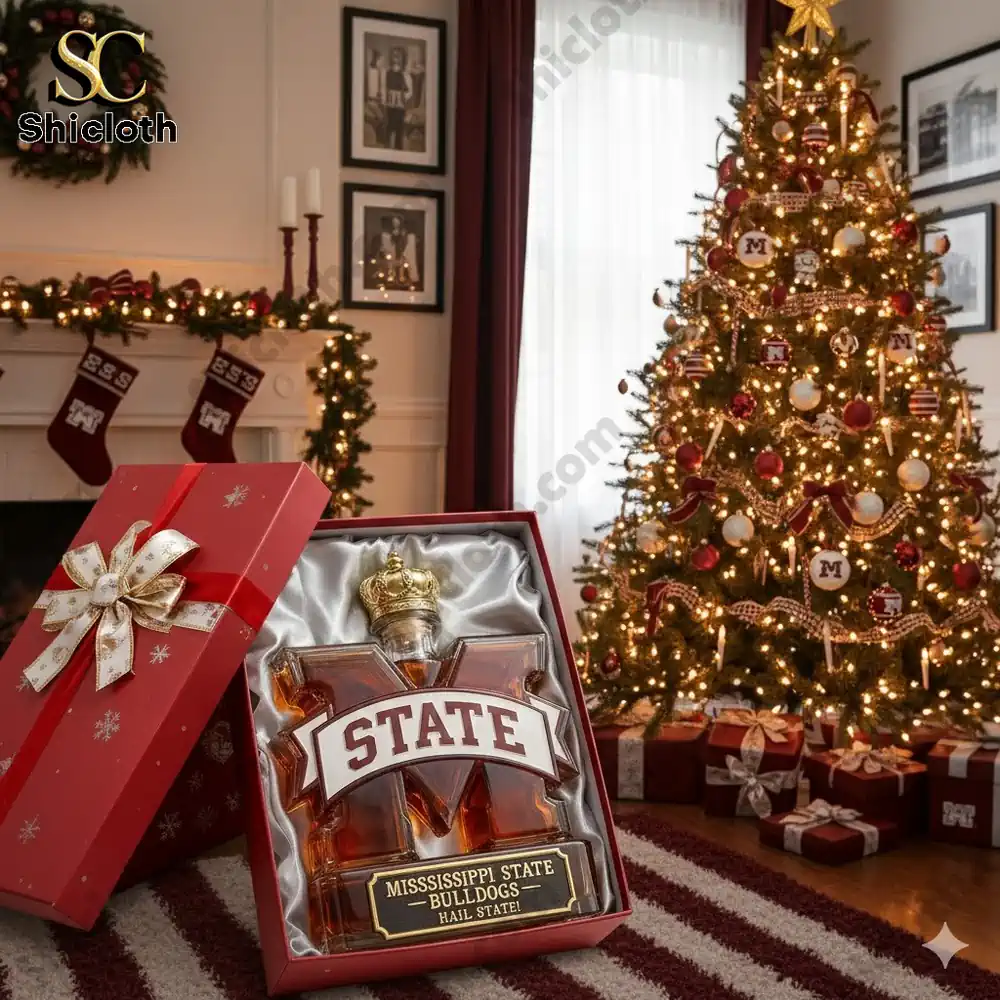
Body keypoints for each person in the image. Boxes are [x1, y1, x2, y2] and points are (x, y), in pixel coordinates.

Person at [384, 46, 413, 150]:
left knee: (399, 129)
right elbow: (384, 88)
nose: (395, 58)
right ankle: (387, 149)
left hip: (400, 106)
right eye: (394, 55)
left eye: (398, 56)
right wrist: (386, 98)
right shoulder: (387, 73)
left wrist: (402, 96)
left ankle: (398, 150)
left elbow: (410, 92)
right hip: (389, 105)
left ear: (402, 59)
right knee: (389, 127)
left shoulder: (406, 75)